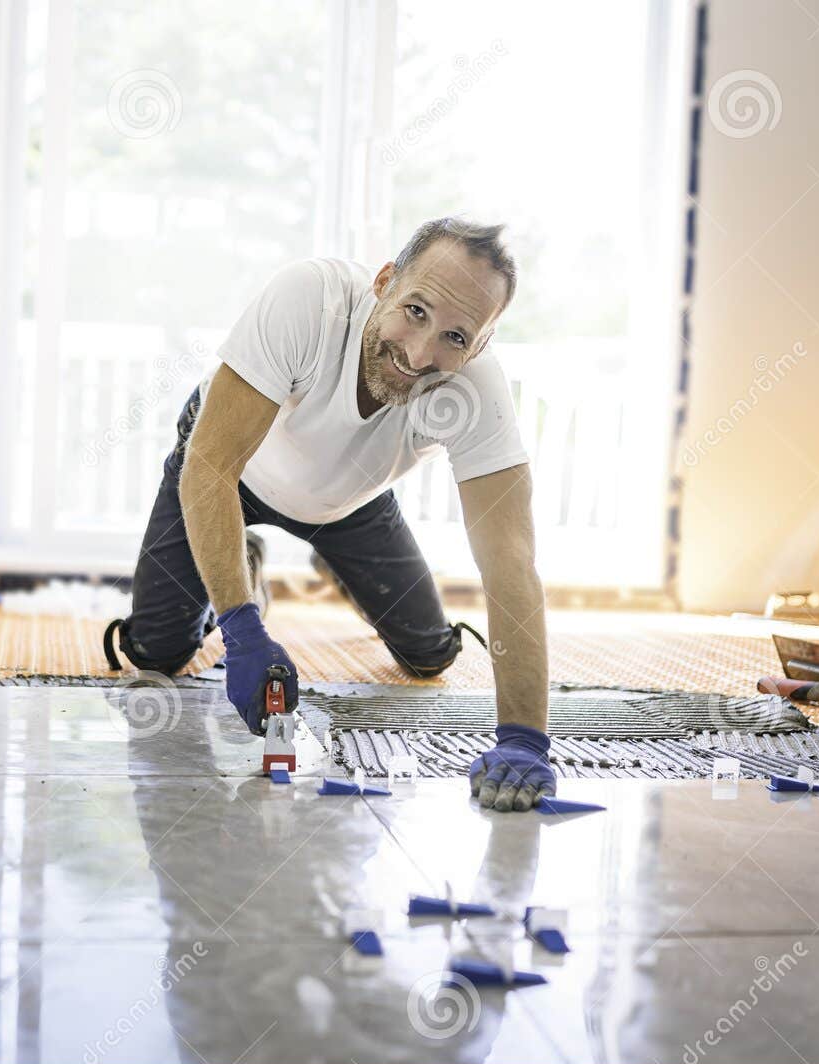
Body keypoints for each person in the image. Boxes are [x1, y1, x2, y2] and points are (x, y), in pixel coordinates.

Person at [103, 217, 553, 812]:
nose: (420, 355)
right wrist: (240, 626)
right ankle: (242, 568)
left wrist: (525, 739)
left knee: (429, 655)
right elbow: (210, 468)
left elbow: (511, 560)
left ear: (480, 346)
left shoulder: (476, 391)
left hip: (351, 502)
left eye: (455, 337)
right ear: (385, 282)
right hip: (231, 469)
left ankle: (329, 560)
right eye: (416, 311)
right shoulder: (309, 301)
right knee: (156, 655)